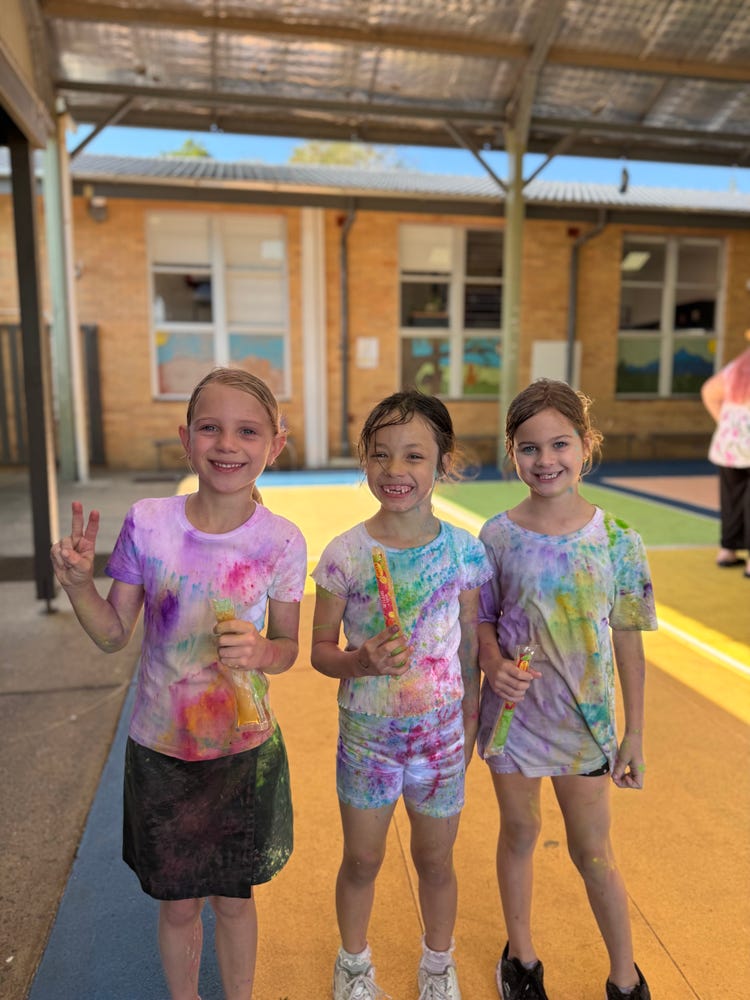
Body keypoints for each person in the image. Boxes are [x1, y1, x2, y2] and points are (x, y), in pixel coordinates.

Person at [50, 367, 307, 1000]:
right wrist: (82, 586)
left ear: (276, 443)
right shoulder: (148, 522)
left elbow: (289, 649)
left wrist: (262, 650)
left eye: (248, 431)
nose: (227, 444)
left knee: (235, 902)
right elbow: (114, 634)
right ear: (185, 437)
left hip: (242, 753)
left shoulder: (281, 540)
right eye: (210, 428)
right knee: (179, 906)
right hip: (161, 752)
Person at [476, 378, 656, 1000]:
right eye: (529, 448)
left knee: (592, 849)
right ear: (512, 451)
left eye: (559, 444)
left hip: (586, 724)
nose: (545, 460)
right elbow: (481, 621)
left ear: (585, 446)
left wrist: (633, 732)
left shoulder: (619, 541)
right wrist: (493, 662)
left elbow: (629, 642)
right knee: (520, 833)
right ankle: (521, 961)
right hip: (513, 720)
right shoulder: (496, 537)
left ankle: (625, 975)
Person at [310, 390, 491, 1000]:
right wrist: (359, 661)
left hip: (441, 737)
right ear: (364, 461)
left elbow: (469, 650)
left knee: (436, 860)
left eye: (414, 455)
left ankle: (438, 964)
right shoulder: (344, 554)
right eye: (380, 455)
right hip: (367, 736)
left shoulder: (466, 552)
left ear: (442, 463)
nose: (395, 471)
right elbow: (320, 652)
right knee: (362, 860)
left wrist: (469, 723)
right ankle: (353, 966)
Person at [700, 328, 750, 577]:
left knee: (732, 498)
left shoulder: (736, 368)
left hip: (729, 444)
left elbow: (709, 391)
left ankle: (728, 550)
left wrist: (725, 421)